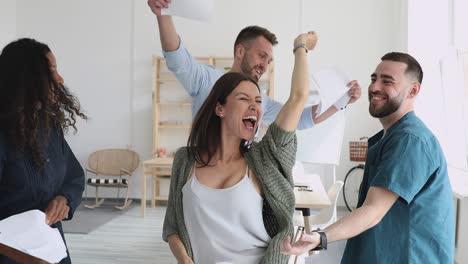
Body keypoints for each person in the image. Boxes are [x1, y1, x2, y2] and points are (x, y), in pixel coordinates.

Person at [281, 52, 455, 263]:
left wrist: (321, 237)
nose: (374, 87)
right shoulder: (390, 137)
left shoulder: (410, 141)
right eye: (374, 78)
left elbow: (373, 209)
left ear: (413, 90)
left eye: (387, 81)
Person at [162, 32, 317, 263]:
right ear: (220, 109)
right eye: (244, 99)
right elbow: (172, 226)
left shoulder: (265, 157)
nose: (254, 107)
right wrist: (185, 259)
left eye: (258, 101)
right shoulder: (185, 160)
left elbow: (298, 97)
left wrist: (301, 46)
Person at [147, 0, 362, 129]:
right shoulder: (207, 79)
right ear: (240, 51)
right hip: (203, 180)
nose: (264, 64)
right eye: (261, 56)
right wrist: (162, 14)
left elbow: (301, 118)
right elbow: (177, 58)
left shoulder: (260, 101)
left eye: (268, 61)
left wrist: (342, 100)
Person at [0, 38, 86, 264]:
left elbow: (74, 176)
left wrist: (64, 199)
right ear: (26, 78)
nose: (60, 79)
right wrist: (22, 255)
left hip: (50, 250)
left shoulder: (49, 125)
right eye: (52, 71)